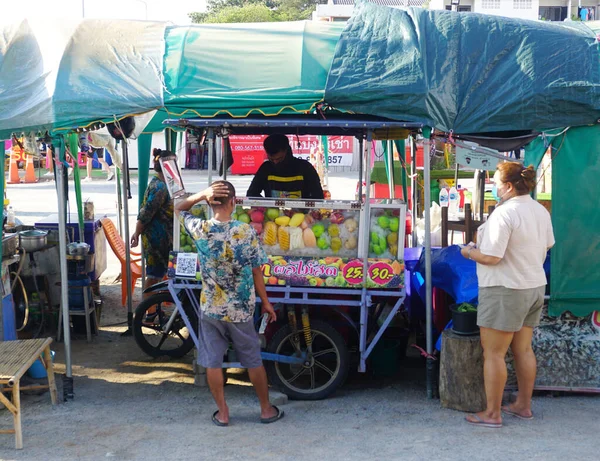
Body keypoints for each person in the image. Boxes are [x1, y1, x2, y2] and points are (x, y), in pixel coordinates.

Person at [176, 180, 283, 427]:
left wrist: (200, 194)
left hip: (211, 308)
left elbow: (179, 209)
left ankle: (223, 413)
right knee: (253, 359)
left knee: (213, 361)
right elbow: (257, 271)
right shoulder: (245, 231)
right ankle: (266, 410)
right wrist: (265, 302)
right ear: (234, 202)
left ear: (210, 202)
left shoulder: (200, 228)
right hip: (241, 309)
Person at [460, 162, 554, 428]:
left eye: (496, 182)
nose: (493, 187)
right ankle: (523, 405)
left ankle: (492, 413)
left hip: (505, 289)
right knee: (523, 349)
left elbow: (491, 256)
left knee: (494, 353)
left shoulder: (504, 213)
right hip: (534, 286)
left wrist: (467, 251)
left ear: (509, 186)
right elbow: (546, 244)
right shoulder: (539, 210)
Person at [130, 149, 174, 294]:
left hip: (164, 237)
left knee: (160, 274)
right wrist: (137, 233)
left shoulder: (164, 182)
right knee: (154, 276)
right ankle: (148, 310)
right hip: (156, 239)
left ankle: (155, 307)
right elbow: (145, 213)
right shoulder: (159, 187)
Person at [246, 134, 324, 199]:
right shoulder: (265, 168)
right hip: (272, 216)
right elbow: (252, 194)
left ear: (286, 151)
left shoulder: (305, 168)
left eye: (279, 159)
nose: (275, 162)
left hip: (301, 216)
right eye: (271, 159)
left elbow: (318, 196)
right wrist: (266, 207)